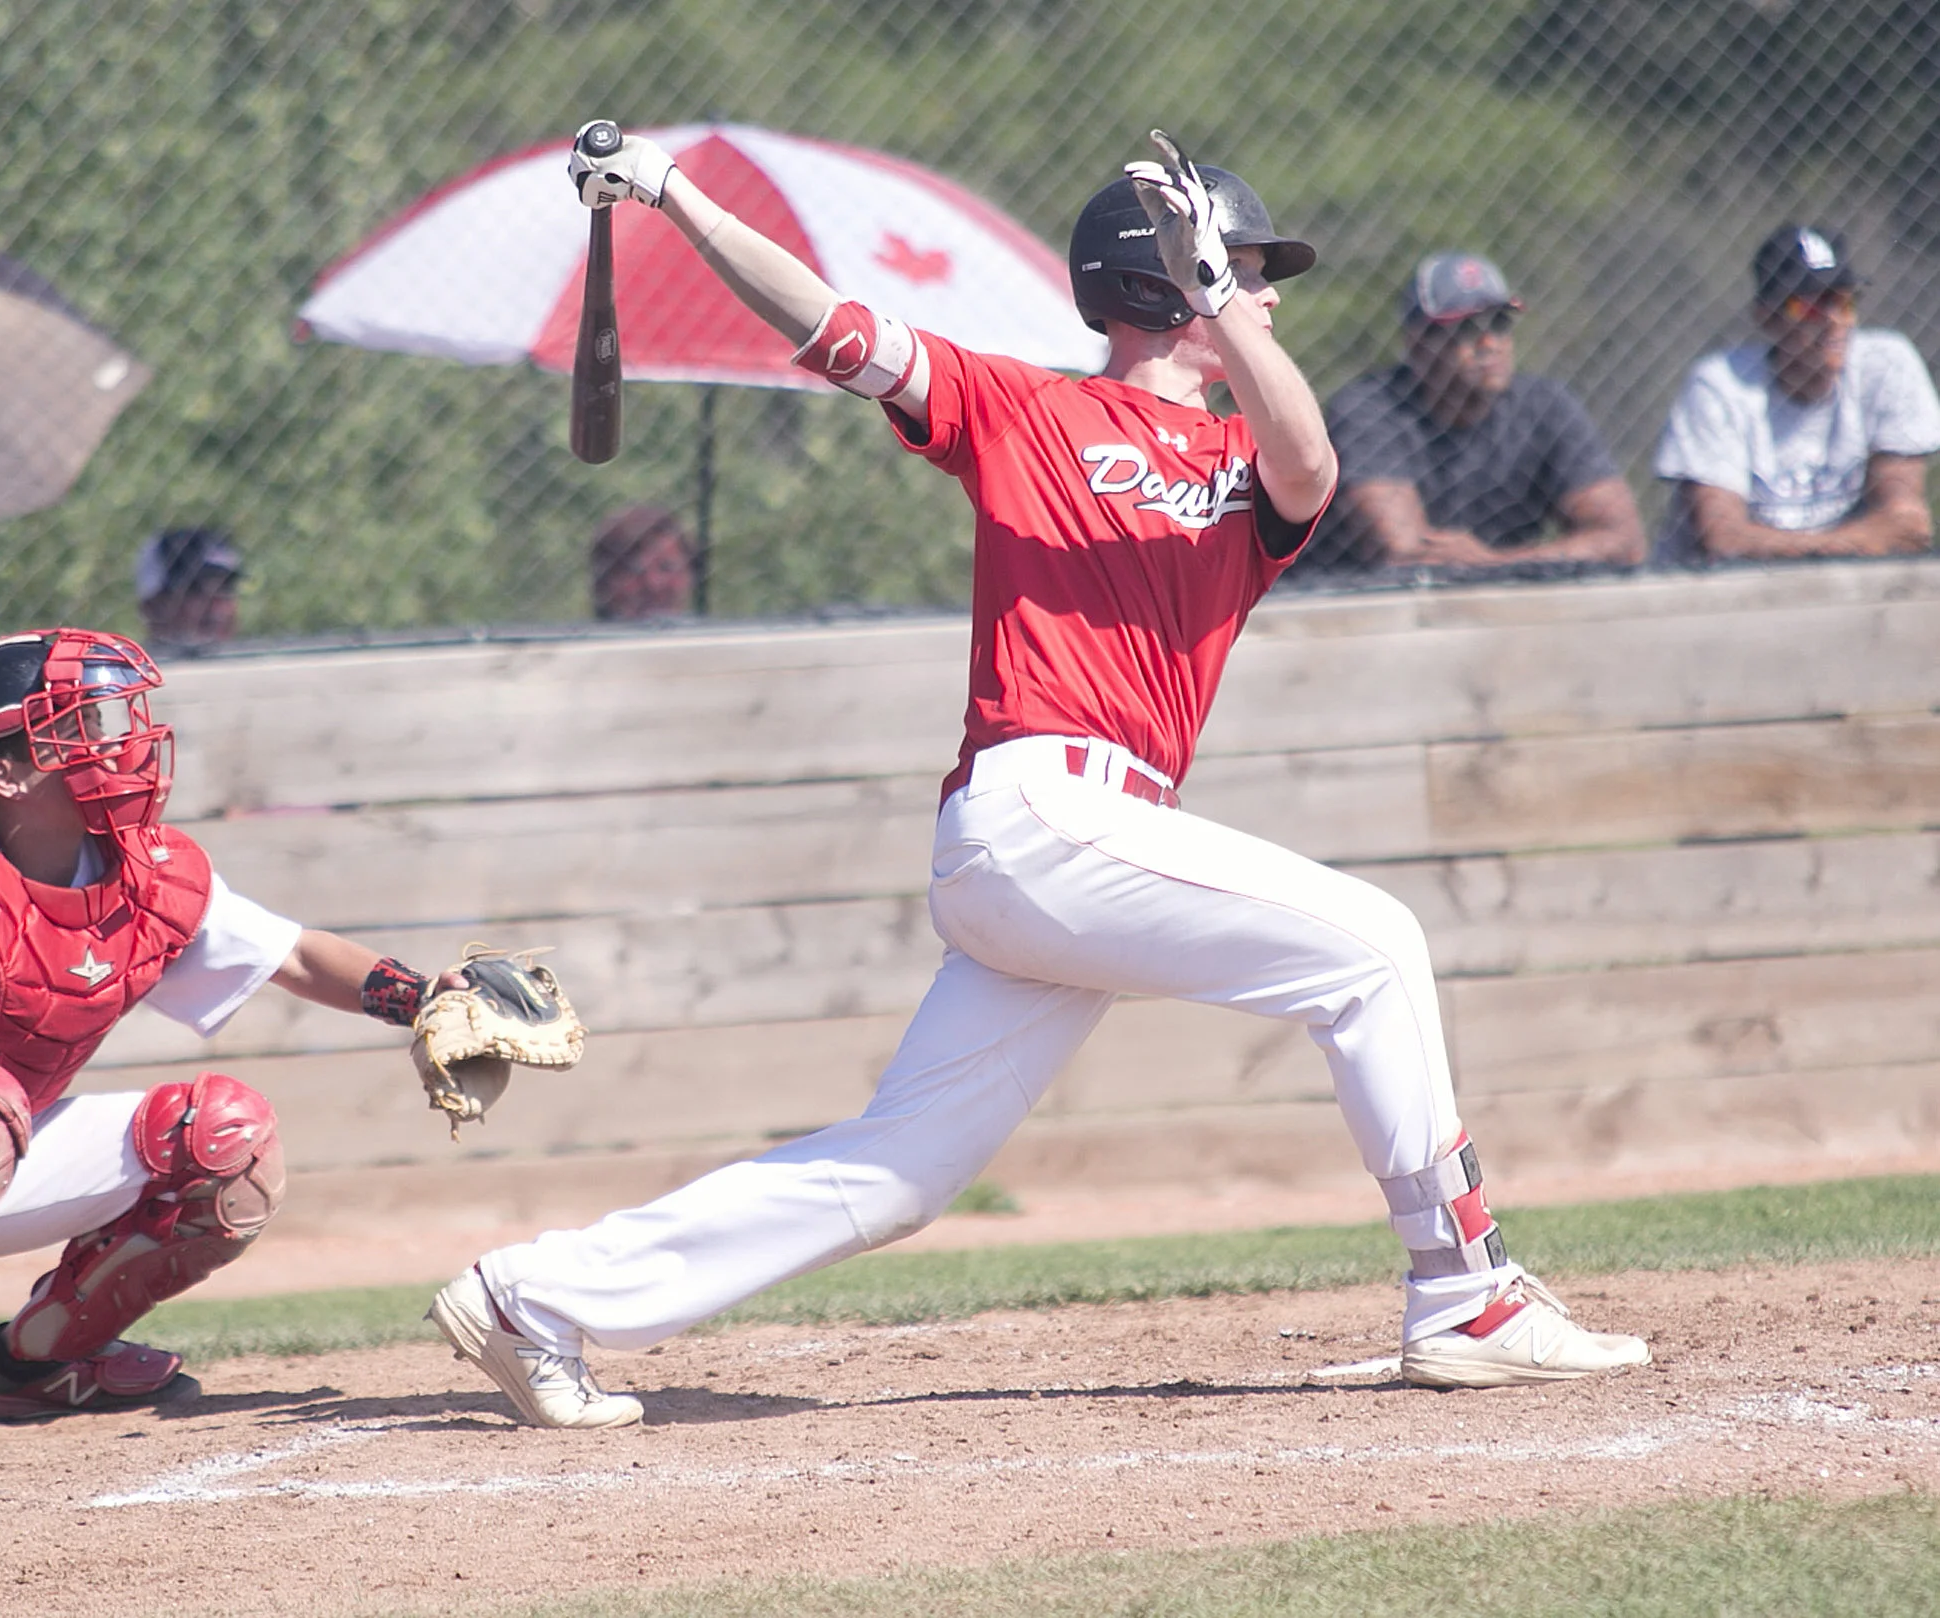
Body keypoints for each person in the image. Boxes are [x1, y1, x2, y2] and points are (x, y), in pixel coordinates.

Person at [413, 124, 1650, 1432]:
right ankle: (1465, 1292)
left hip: (1075, 848)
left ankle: (533, 1296)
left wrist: (1219, 299)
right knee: (1377, 946)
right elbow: (829, 322)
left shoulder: (1244, 465)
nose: (1269, 291)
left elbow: (1311, 466)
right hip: (1036, 812)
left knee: (896, 1173)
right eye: (1241, 266)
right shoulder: (1021, 405)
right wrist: (671, 194)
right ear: (1152, 284)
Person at [0, 627, 475, 1469]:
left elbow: (295, 956)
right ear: (5, 774)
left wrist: (422, 999)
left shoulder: (142, 870)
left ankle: (43, 1363)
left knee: (230, 1134)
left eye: (111, 721)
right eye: (78, 729)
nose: (117, 745)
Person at [1314, 253, 1644, 573]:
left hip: (1498, 605)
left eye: (1499, 323)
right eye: (1467, 328)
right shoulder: (1371, 409)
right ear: (1417, 343)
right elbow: (1409, 556)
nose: (1489, 343)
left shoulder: (1545, 406)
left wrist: (1495, 563)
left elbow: (1623, 540)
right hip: (1350, 613)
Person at [1652, 225, 1940, 566]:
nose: (1834, 319)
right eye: (1810, 307)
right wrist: (1859, 541)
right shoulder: (1719, 385)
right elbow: (1725, 539)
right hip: (1729, 600)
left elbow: (1906, 525)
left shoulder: (1887, 363)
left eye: (1844, 301)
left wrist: (1789, 547)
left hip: (1847, 591)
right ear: (1766, 317)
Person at [135, 527, 243, 653]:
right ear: (151, 606)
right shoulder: (131, 671)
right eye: (194, 588)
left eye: (225, 587)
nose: (215, 603)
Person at [590, 504, 695, 620]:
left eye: (667, 568)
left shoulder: (707, 635)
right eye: (635, 570)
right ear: (605, 582)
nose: (653, 583)